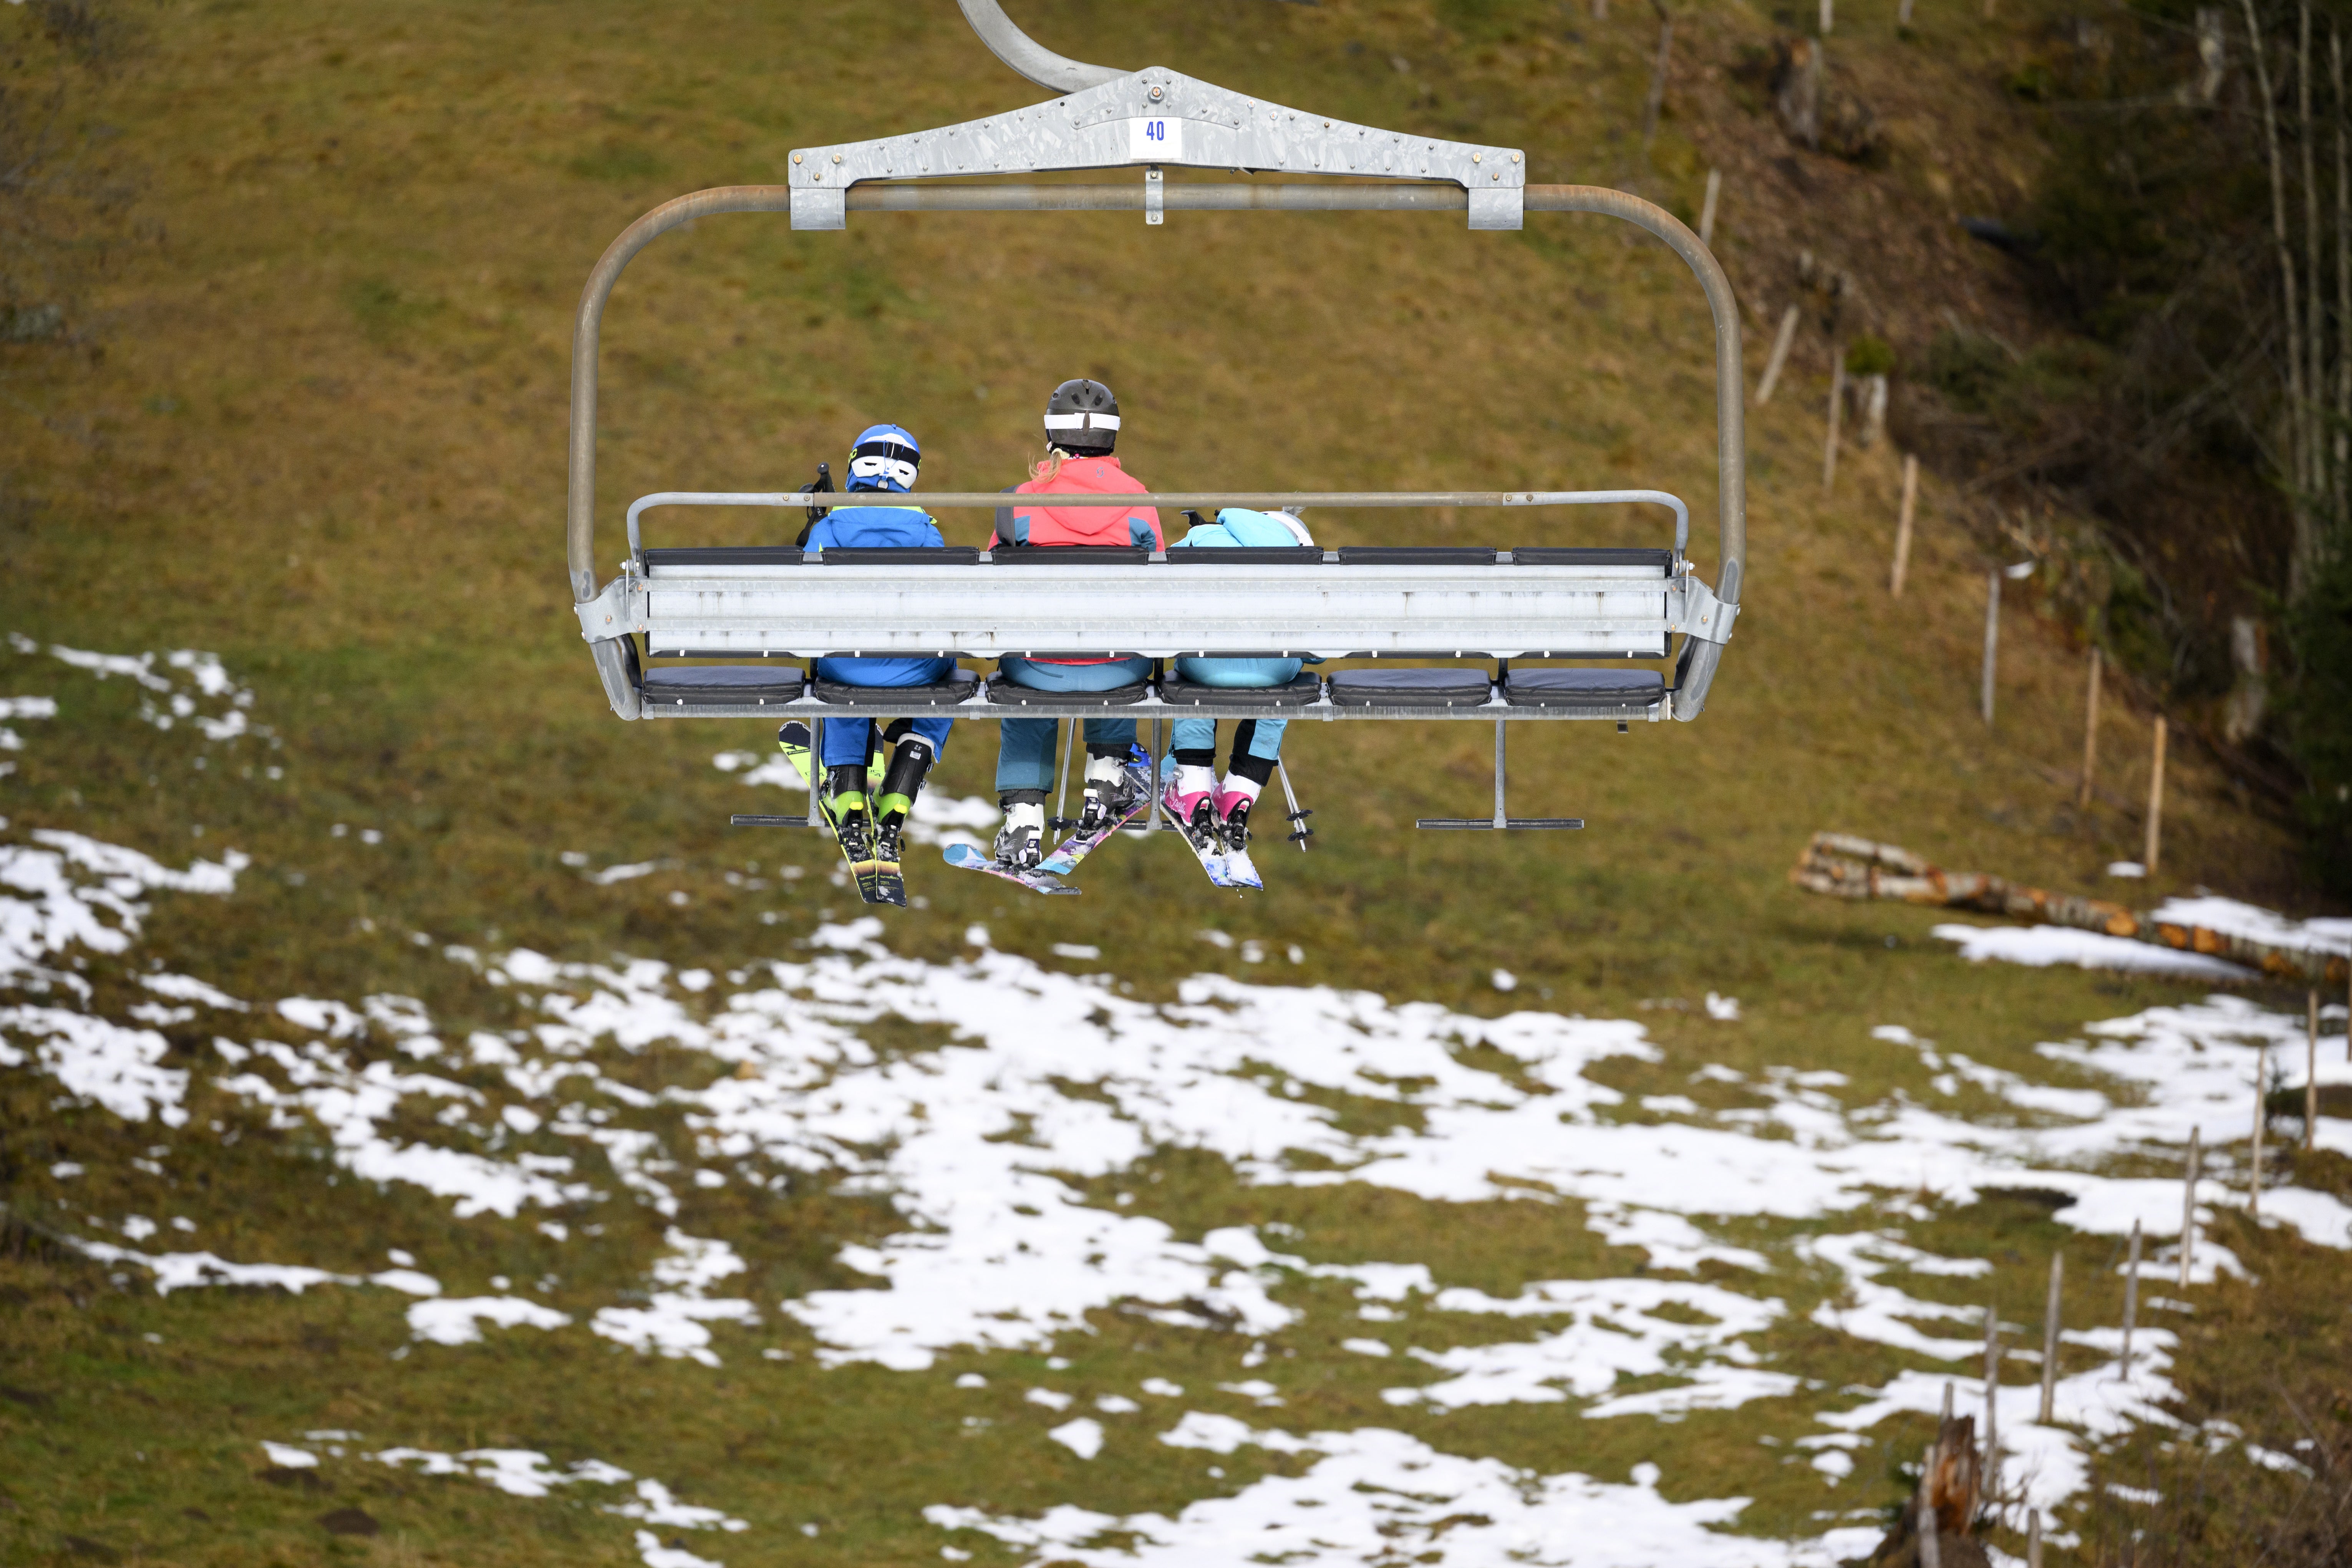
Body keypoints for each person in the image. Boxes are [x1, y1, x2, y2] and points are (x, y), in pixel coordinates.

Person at [988, 379, 1164, 868]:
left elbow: (991, 583)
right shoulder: (1137, 500)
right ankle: (1105, 780)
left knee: (1029, 688)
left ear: (1051, 433)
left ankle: (1024, 822)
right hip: (1118, 665)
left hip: (1036, 665)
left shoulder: (1020, 500)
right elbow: (1160, 584)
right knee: (1119, 650)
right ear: (1112, 437)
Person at [789, 423, 957, 896]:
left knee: (839, 675)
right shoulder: (925, 530)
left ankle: (847, 796)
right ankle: (899, 795)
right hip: (915, 670)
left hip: (845, 664)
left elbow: (802, 599)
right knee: (942, 681)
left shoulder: (830, 526)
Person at [1160, 506, 1316, 885]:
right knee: (1278, 694)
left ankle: (1192, 787)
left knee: (1194, 676)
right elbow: (1318, 649)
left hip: (1204, 665)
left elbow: (1162, 603)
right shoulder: (1305, 560)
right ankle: (1237, 799)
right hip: (1275, 670)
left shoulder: (1204, 537)